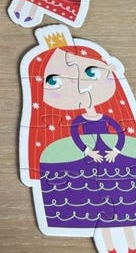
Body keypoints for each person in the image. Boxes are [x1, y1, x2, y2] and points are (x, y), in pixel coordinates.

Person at [20, 25, 136, 253]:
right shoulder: (61, 135)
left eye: (91, 72)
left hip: (114, 160)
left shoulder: (114, 120)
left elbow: (120, 133)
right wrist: (87, 151)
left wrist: (116, 150)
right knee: (101, 217)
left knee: (124, 211)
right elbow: (75, 135)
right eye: (54, 81)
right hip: (87, 163)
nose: (78, 84)